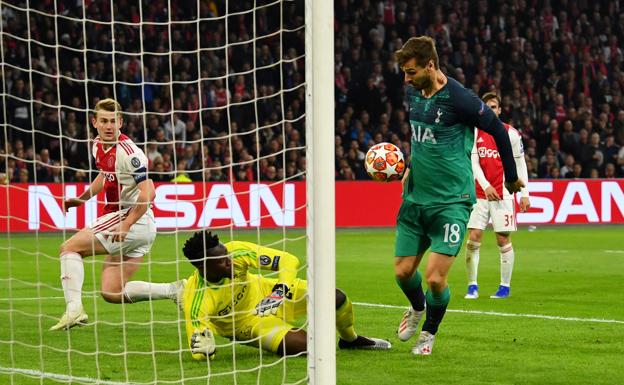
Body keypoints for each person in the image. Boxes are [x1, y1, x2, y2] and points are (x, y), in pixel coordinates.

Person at [392, 36, 524, 355]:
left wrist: (511, 175)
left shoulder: (459, 99)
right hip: (415, 199)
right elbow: (424, 141)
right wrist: (410, 167)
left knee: (435, 278)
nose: (406, 80)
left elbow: (497, 129)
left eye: (411, 72)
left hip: (451, 202)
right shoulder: (416, 94)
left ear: (431, 66)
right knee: (402, 272)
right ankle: (417, 307)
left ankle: (429, 334)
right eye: (404, 73)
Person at [50, 98, 183, 331]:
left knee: (69, 248)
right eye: (104, 121)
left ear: (120, 122)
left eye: (113, 121)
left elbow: (149, 191)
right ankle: (175, 289)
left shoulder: (130, 153)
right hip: (138, 226)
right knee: (111, 292)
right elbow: (105, 176)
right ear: (95, 123)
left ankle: (74, 310)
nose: (109, 126)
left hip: (132, 219)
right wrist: (82, 199)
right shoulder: (97, 145)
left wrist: (126, 225)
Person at [179, 231, 391, 360]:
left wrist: (278, 293)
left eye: (227, 255)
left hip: (269, 293)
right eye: (221, 260)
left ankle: (350, 340)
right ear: (202, 265)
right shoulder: (197, 298)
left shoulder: (237, 253)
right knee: (313, 348)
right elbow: (197, 350)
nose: (229, 261)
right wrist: (207, 351)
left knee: (336, 297)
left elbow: (288, 260)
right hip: (249, 325)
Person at [464, 92, 531, 300]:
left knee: (502, 239)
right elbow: (474, 162)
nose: (491, 110)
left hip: (504, 193)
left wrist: (525, 193)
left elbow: (520, 163)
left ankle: (504, 287)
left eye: (494, 107)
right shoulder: (475, 132)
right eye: (487, 107)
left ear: (499, 110)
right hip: (479, 194)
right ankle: (472, 286)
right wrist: (485, 186)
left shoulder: (510, 133)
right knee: (473, 237)